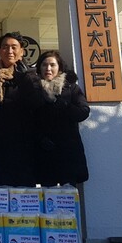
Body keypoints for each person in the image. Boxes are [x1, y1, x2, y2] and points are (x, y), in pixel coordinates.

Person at [19, 50, 90, 187]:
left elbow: (83, 112)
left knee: (69, 194)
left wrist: (61, 103)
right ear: (39, 68)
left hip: (67, 151)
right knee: (47, 193)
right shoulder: (33, 89)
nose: (48, 68)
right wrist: (39, 138)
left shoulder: (71, 88)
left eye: (52, 65)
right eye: (44, 65)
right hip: (42, 150)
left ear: (60, 67)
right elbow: (26, 119)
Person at [0, 32, 36, 186]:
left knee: (23, 187)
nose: (9, 51)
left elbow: (36, 102)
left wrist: (24, 79)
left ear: (22, 51)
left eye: (14, 47)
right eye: (5, 47)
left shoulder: (31, 75)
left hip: (23, 140)